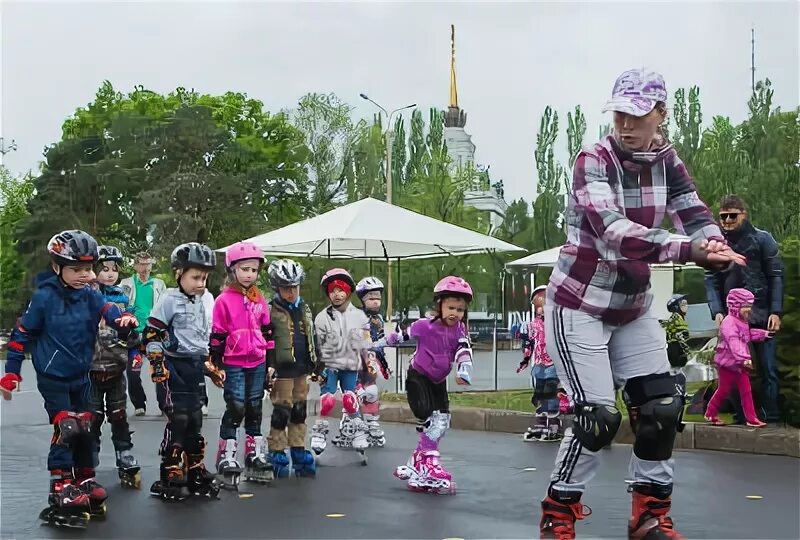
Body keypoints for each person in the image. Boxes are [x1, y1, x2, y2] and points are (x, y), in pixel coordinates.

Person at [538, 68, 746, 539]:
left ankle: (649, 514)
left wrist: (713, 245)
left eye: (636, 115)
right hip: (579, 305)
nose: (626, 125)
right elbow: (613, 233)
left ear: (659, 114)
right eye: (619, 114)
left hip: (631, 308)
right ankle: (558, 515)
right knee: (597, 419)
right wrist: (687, 251)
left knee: (662, 408)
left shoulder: (667, 161)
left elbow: (693, 212)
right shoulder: (593, 158)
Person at [0, 231, 137, 528]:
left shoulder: (89, 293)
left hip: (81, 373)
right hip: (53, 376)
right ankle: (60, 484)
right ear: (56, 267)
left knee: (87, 425)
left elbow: (108, 309)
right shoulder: (44, 297)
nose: (85, 275)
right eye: (77, 269)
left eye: (88, 269)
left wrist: (122, 320)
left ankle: (85, 478)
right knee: (68, 425)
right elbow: (22, 334)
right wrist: (11, 371)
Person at [144, 242, 223, 501]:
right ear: (179, 274)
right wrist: (157, 363)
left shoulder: (201, 301)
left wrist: (210, 368)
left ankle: (195, 470)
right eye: (195, 277)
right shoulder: (169, 299)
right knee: (178, 419)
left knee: (195, 420)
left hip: (193, 366)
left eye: (204, 278)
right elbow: (152, 333)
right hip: (172, 366)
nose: (201, 283)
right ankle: (170, 469)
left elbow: (200, 340)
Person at [704, 194, 784, 423]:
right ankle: (742, 415)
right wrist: (717, 310)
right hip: (733, 319)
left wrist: (776, 311)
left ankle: (774, 416)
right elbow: (711, 279)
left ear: (743, 215)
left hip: (762, 313)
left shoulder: (763, 239)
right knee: (735, 369)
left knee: (769, 368)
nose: (727, 220)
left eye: (732, 215)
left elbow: (775, 276)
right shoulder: (718, 245)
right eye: (723, 216)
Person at [390, 276, 474, 494]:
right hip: (418, 376)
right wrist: (387, 341)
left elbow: (463, 350)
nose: (455, 313)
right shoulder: (424, 326)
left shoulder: (459, 330)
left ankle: (418, 462)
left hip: (439, 380)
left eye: (461, 309)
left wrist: (463, 370)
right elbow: (403, 335)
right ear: (439, 305)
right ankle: (428, 463)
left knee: (443, 420)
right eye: (451, 307)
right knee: (430, 419)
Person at [210, 242, 275, 487]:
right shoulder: (224, 300)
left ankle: (254, 453)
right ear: (233, 270)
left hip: (257, 359)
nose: (249, 274)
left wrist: (271, 362)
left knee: (254, 406)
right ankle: (226, 453)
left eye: (254, 270)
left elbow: (268, 331)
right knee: (236, 406)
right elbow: (217, 332)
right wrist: (216, 361)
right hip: (234, 360)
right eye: (244, 269)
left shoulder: (260, 299)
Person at [89, 245, 142, 489]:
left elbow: (132, 332)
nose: (110, 274)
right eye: (104, 269)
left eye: (114, 270)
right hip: (89, 370)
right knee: (92, 418)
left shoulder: (122, 298)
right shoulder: (85, 296)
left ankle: (124, 453)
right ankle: (88, 456)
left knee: (119, 416)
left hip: (116, 367)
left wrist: (134, 352)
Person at [265, 259, 325, 478]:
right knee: (282, 411)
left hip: (302, 369)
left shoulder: (305, 308)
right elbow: (267, 342)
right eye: (285, 288)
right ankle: (277, 451)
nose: (291, 292)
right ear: (277, 288)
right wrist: (268, 367)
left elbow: (312, 336)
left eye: (294, 287)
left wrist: (318, 364)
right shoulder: (271, 311)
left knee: (299, 411)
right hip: (282, 371)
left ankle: (298, 449)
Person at [310, 268, 371, 459]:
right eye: (332, 290)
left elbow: (364, 344)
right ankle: (320, 431)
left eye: (340, 289)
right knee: (327, 400)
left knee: (350, 399)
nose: (336, 294)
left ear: (349, 291)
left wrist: (367, 366)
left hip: (351, 364)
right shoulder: (321, 317)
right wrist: (317, 368)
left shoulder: (360, 316)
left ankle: (358, 431)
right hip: (329, 364)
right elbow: (317, 345)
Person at [704, 289, 771, 427]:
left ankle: (751, 418)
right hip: (728, 364)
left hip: (739, 364)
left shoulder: (741, 321)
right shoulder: (729, 323)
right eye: (746, 306)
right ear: (736, 306)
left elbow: (747, 335)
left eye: (750, 306)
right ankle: (710, 413)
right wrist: (744, 358)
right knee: (723, 390)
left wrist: (763, 334)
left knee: (746, 391)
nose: (749, 309)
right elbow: (734, 341)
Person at [120, 251, 167, 416]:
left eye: (148, 264)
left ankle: (164, 405)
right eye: (141, 263)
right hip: (135, 335)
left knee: (159, 369)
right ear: (135, 265)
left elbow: (165, 307)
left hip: (153, 334)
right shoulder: (126, 284)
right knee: (133, 371)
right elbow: (120, 305)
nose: (145, 267)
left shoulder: (159, 284)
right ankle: (139, 404)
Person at [518, 285, 562, 443]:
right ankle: (541, 423)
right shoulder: (532, 325)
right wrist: (525, 359)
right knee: (539, 393)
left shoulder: (556, 324)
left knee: (551, 391)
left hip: (553, 364)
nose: (541, 309)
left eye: (544, 305)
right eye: (538, 306)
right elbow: (528, 344)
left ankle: (554, 423)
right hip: (539, 364)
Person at [355, 276, 392, 447]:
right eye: (371, 298)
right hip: (356, 358)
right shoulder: (356, 316)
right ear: (362, 299)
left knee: (372, 391)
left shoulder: (379, 320)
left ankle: (371, 420)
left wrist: (384, 364)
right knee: (355, 390)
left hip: (372, 359)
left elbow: (381, 342)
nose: (376, 302)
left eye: (378, 298)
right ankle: (350, 419)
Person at [661, 294, 691, 372]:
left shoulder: (680, 317)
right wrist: (687, 351)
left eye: (686, 304)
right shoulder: (675, 317)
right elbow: (678, 335)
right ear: (676, 307)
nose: (686, 306)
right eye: (683, 304)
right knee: (677, 370)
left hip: (678, 348)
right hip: (675, 349)